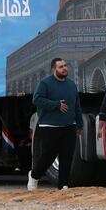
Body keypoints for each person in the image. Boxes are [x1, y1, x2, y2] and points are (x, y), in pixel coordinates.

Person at [27, 58, 84, 190]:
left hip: (69, 125)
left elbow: (77, 106)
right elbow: (37, 100)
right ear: (54, 69)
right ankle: (34, 176)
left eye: (65, 66)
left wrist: (79, 124)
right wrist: (56, 104)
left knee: (67, 155)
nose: (64, 68)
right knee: (49, 155)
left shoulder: (71, 85)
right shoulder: (45, 83)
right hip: (49, 125)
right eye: (61, 67)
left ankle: (63, 185)